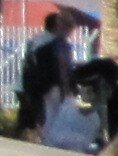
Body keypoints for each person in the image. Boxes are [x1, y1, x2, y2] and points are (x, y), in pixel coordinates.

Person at [9, 11, 75, 142]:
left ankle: (23, 139)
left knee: (28, 120)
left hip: (27, 85)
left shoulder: (37, 39)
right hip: (42, 88)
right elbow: (59, 69)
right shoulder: (53, 43)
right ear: (58, 26)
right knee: (45, 118)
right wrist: (67, 88)